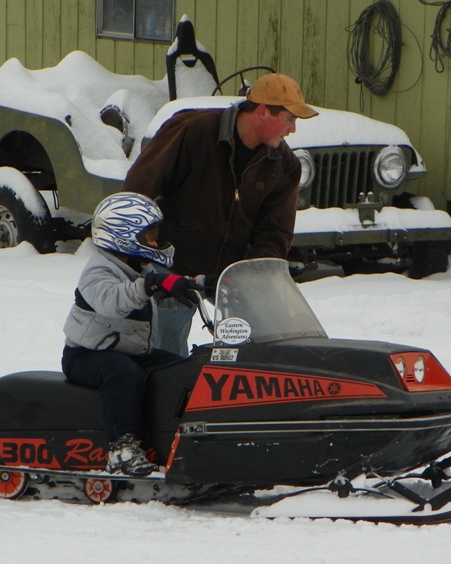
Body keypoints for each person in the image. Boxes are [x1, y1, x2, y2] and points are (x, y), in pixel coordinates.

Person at [123, 72, 318, 356]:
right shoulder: (192, 130)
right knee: (164, 348)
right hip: (173, 264)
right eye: (290, 119)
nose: (293, 130)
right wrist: (143, 243)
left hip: (232, 274)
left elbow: (275, 233)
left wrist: (251, 279)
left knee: (269, 342)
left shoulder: (284, 165)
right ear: (263, 111)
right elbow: (139, 187)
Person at [61, 192, 203, 476]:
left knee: (181, 368)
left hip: (130, 351)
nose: (155, 241)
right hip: (86, 355)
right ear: (124, 235)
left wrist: (196, 285)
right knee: (123, 373)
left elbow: (158, 288)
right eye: (149, 236)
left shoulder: (139, 267)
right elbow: (113, 301)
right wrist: (149, 285)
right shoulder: (98, 271)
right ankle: (122, 450)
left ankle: (177, 436)